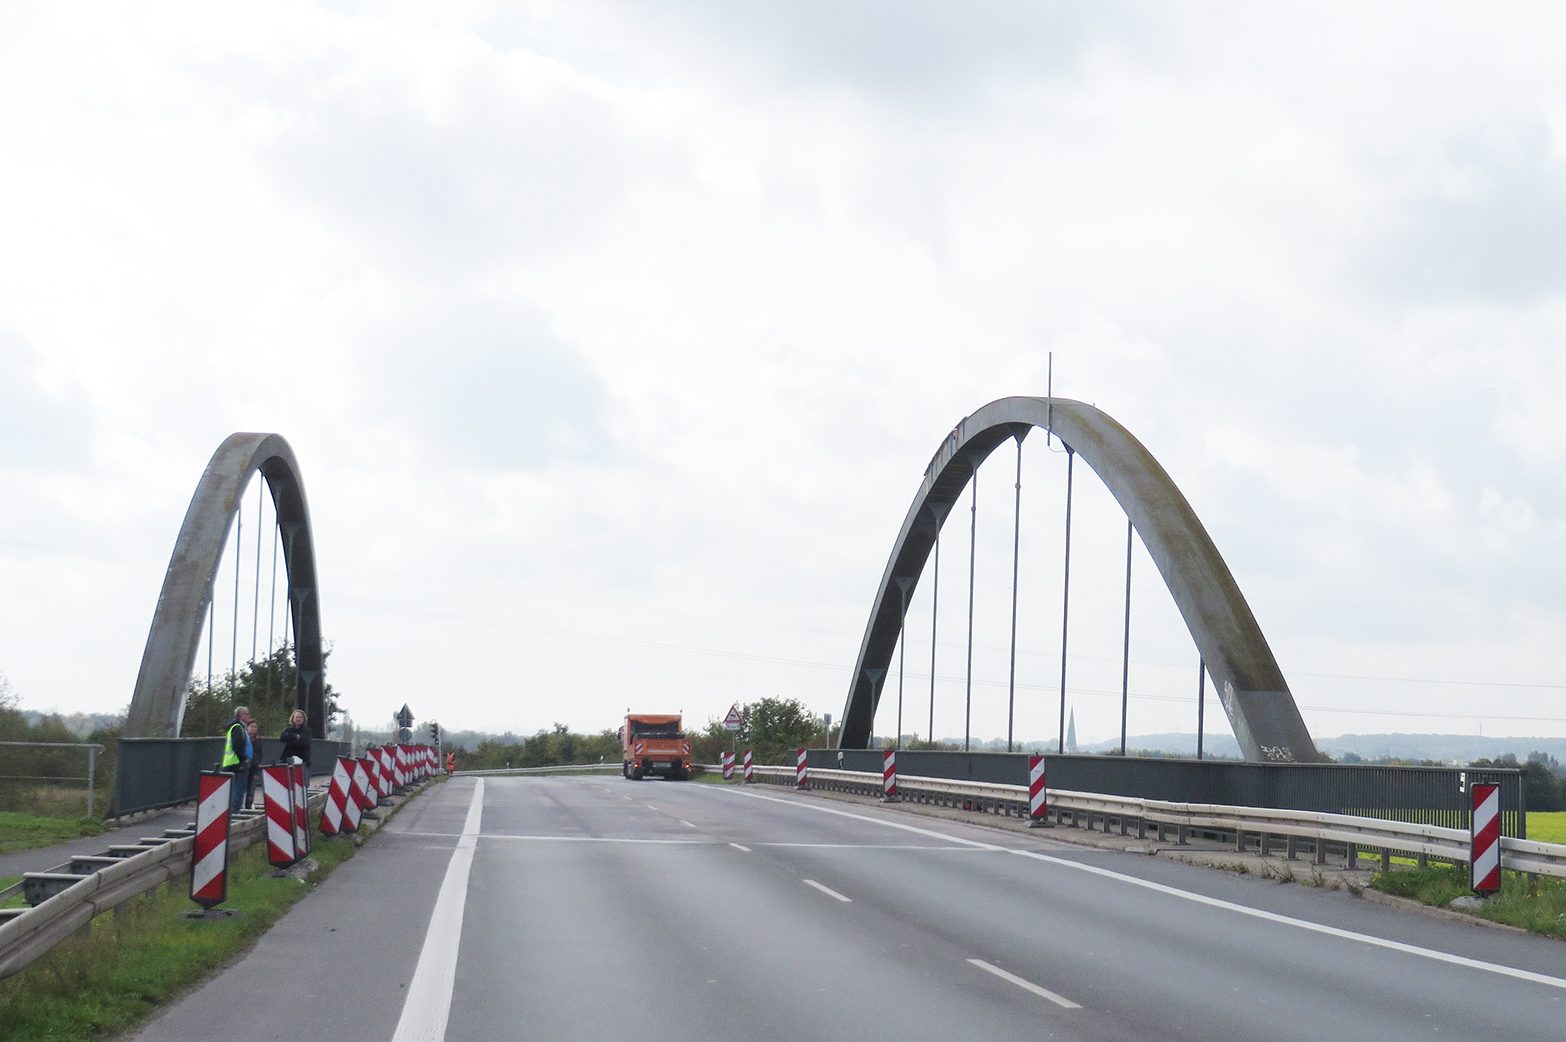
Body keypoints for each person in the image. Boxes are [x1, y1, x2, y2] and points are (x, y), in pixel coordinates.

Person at [221, 705, 253, 814]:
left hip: (233, 761)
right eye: (247, 713)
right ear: (241, 715)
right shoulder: (237, 728)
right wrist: (244, 758)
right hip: (236, 762)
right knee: (239, 787)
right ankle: (234, 810)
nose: (249, 716)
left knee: (234, 788)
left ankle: (232, 809)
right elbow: (237, 745)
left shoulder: (240, 727)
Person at [244, 720, 262, 808]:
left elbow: (260, 755)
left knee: (251, 790)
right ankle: (238, 807)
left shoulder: (258, 740)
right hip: (244, 766)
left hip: (254, 767)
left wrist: (258, 770)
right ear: (247, 728)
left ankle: (248, 806)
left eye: (255, 727)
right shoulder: (244, 739)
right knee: (241, 788)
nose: (253, 729)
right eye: (252, 726)